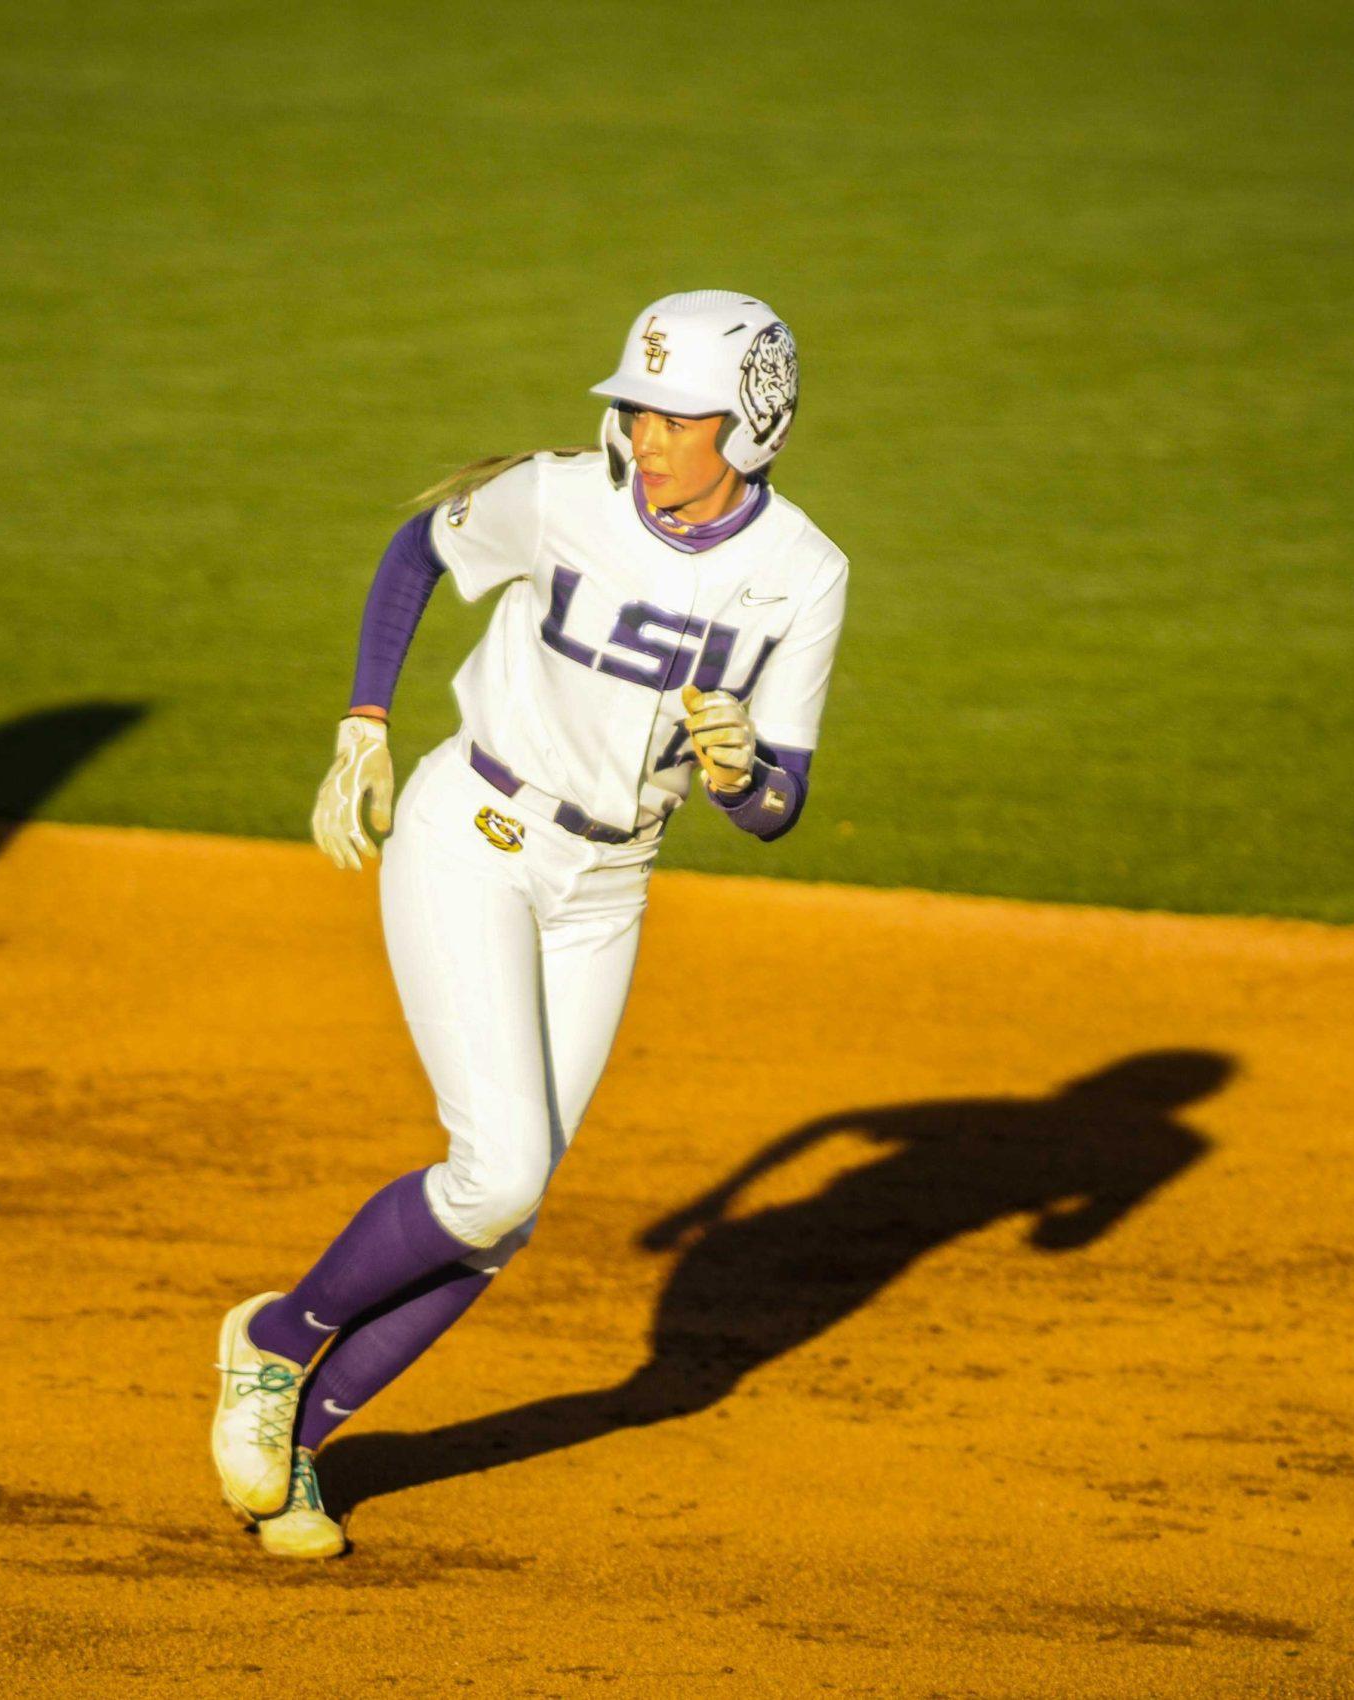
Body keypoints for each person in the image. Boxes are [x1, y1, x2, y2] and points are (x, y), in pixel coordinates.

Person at [212, 291, 845, 1559]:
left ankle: (301, 1449)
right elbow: (418, 554)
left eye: (676, 416)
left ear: (752, 426)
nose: (643, 434)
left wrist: (734, 775)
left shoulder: (804, 573)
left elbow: (779, 803)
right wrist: (366, 721)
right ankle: (274, 1341)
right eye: (636, 408)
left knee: (506, 1215)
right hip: (477, 835)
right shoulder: (563, 496)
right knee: (492, 1168)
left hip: (610, 886)